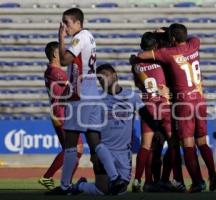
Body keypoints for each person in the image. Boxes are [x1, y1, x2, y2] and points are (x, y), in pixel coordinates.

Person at [47, 8, 123, 195]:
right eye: (63, 23)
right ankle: (115, 178)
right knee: (95, 140)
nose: (65, 26)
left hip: (80, 97)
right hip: (92, 95)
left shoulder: (79, 37)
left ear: (78, 23)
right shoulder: (89, 37)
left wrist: (60, 38)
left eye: (67, 22)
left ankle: (64, 186)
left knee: (71, 143)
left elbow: (64, 61)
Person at [137, 23, 216, 192]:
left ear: (172, 38)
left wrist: (135, 59)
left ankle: (197, 181)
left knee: (187, 144)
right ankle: (212, 172)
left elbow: (143, 55)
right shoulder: (195, 43)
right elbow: (188, 37)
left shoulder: (168, 53)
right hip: (201, 100)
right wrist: (168, 31)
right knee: (202, 141)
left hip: (183, 102)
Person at [72, 64, 157, 195]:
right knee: (103, 191)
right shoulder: (97, 99)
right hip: (104, 151)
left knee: (119, 191)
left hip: (123, 153)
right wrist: (94, 152)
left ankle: (82, 185)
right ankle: (80, 186)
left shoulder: (132, 96)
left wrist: (158, 131)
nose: (102, 80)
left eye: (105, 75)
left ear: (114, 75)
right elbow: (90, 131)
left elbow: (147, 116)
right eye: (99, 79)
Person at [131, 32, 183, 192]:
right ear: (154, 47)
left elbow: (138, 83)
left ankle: (138, 181)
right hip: (164, 106)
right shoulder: (160, 60)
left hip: (148, 106)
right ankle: (175, 180)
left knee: (146, 146)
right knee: (173, 144)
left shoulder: (136, 64)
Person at [39, 41, 83, 190]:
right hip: (62, 113)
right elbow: (74, 87)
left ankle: (62, 181)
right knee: (75, 149)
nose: (64, 52)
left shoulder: (52, 71)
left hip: (61, 113)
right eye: (62, 50)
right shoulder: (55, 71)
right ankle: (54, 179)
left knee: (73, 149)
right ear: (54, 54)